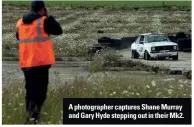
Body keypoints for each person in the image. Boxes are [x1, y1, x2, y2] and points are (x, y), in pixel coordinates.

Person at [15, 0, 62, 124]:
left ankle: (30, 117)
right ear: (42, 9)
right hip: (40, 64)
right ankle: (34, 119)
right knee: (40, 93)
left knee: (30, 92)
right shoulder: (43, 21)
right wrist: (48, 16)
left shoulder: (20, 22)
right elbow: (58, 30)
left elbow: (18, 37)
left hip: (26, 64)